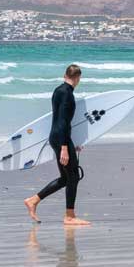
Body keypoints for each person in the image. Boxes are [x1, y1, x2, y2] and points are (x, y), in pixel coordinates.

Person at [24, 64, 90, 226]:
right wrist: (65, 147)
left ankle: (33, 200)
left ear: (65, 75)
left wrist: (71, 142)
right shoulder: (67, 94)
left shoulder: (58, 90)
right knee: (73, 176)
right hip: (61, 139)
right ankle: (69, 216)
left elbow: (61, 120)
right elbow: (63, 121)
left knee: (66, 178)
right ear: (77, 78)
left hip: (58, 137)